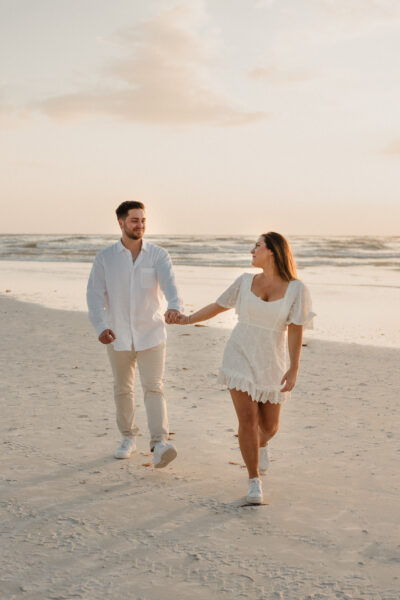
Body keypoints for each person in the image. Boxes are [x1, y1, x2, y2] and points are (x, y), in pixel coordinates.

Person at [167, 232, 315, 503]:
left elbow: (295, 331)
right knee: (247, 420)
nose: (252, 250)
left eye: (257, 246)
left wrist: (294, 368)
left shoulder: (296, 289)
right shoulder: (245, 281)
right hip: (239, 354)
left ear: (272, 251)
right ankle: (253, 482)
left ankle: (261, 446)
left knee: (269, 427)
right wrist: (187, 319)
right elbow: (218, 306)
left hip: (272, 360)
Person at [87, 201, 181, 468]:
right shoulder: (106, 257)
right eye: (134, 221)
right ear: (121, 223)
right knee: (123, 388)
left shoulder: (158, 255)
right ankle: (128, 437)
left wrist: (175, 307)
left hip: (151, 332)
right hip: (117, 333)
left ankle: (160, 442)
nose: (140, 225)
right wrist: (100, 326)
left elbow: (170, 285)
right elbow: (94, 295)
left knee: (154, 387)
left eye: (142, 220)